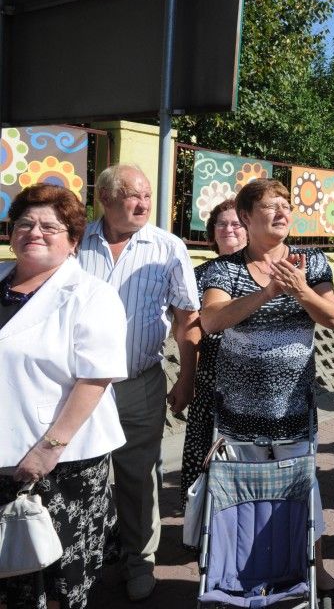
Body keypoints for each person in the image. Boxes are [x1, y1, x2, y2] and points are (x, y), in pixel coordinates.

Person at [199, 178, 334, 603]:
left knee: (302, 495)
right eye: (270, 205)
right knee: (237, 500)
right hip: (237, 417)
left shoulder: (311, 262)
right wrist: (267, 293)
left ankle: (315, 572)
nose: (282, 211)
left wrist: (299, 289)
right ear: (245, 217)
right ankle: (234, 576)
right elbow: (211, 321)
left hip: (295, 412)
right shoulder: (224, 269)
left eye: (285, 204)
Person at [0, 185, 129, 609]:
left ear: (74, 239)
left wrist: (48, 449)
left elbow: (95, 379)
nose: (34, 232)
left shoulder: (92, 294)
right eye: (25, 223)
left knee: (53, 575)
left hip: (61, 461)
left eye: (49, 226)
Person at [77, 164, 200, 601]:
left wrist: (187, 377)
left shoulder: (168, 247)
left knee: (138, 477)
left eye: (147, 195)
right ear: (105, 199)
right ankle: (79, 561)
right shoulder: (74, 241)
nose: (143, 203)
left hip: (138, 381)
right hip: (75, 387)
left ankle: (139, 561)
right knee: (78, 475)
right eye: (132, 195)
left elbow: (188, 317)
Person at [179, 199, 247, 505]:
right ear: (212, 232)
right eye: (221, 223)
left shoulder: (261, 272)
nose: (229, 229)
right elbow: (189, 329)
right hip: (210, 380)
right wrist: (186, 377)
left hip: (250, 383)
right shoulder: (199, 274)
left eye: (236, 223)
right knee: (204, 447)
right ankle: (200, 519)